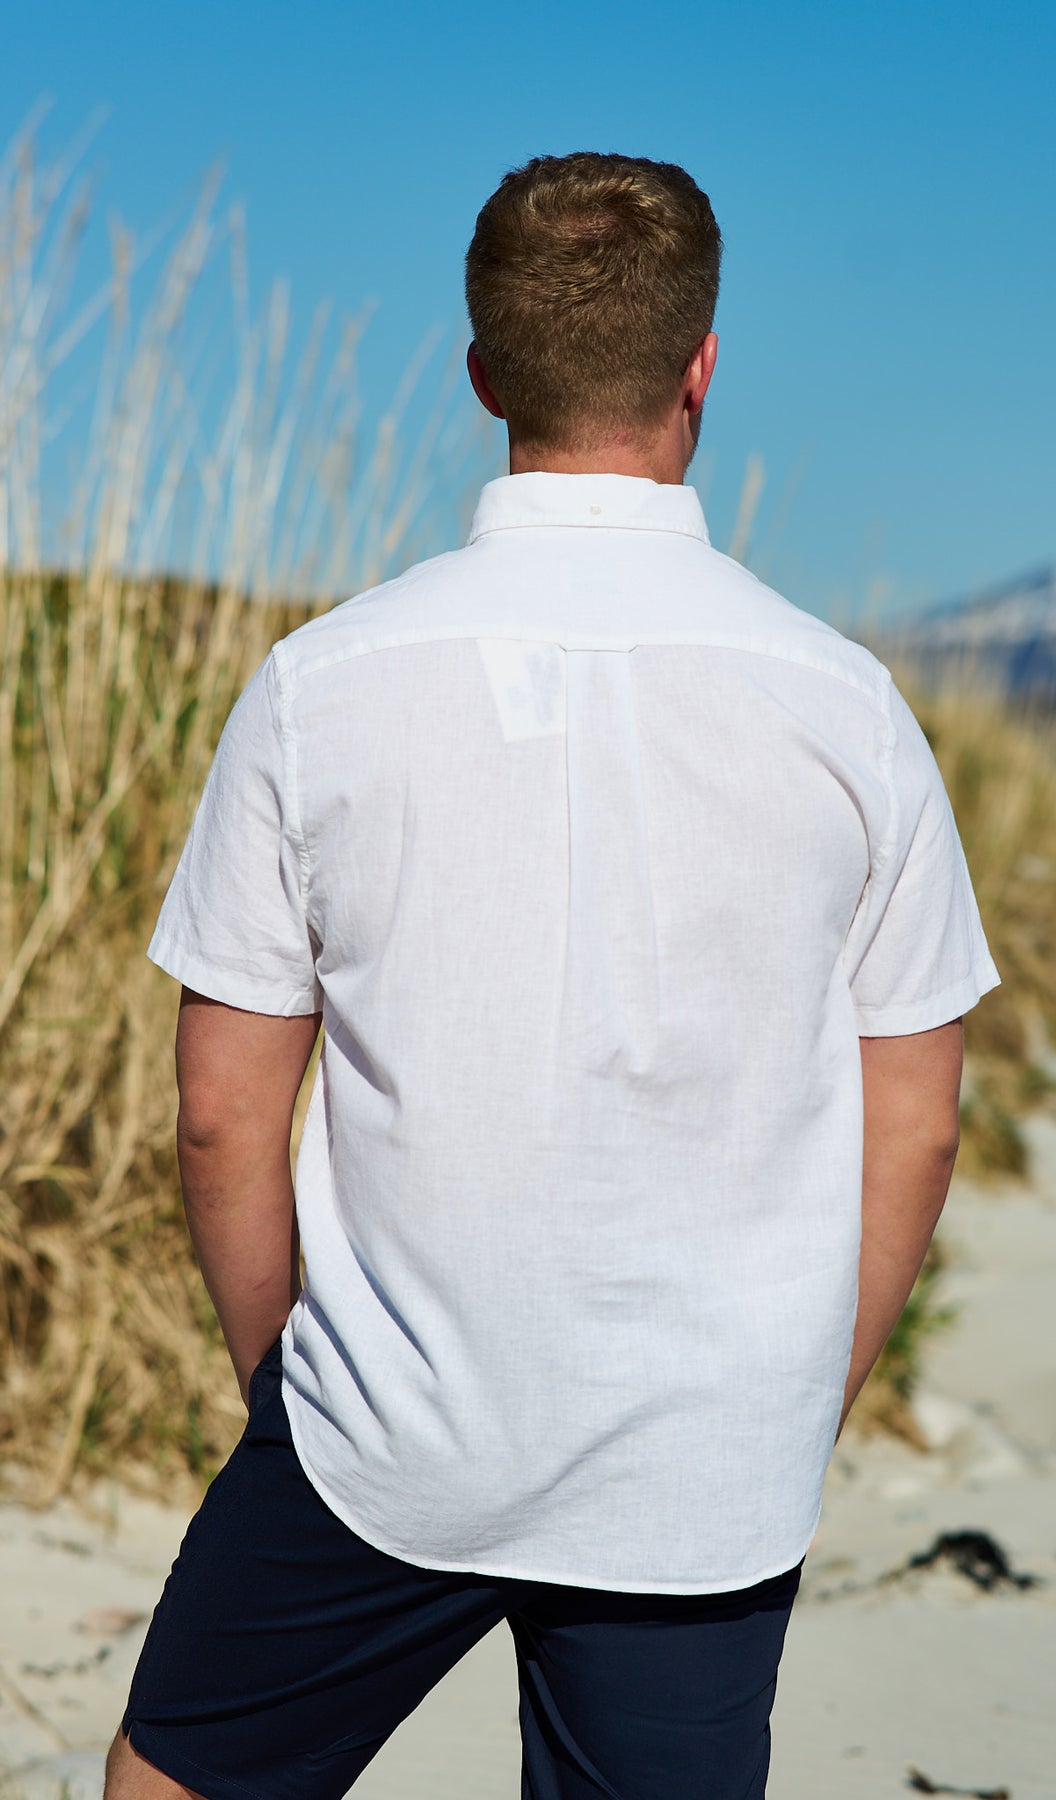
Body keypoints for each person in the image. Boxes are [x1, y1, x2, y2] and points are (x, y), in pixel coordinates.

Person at [106, 151, 999, 1800]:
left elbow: (222, 1116)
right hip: (705, 1462)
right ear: (701, 366)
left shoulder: (319, 686)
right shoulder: (849, 709)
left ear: (483, 374)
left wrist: (287, 1396)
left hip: (381, 1427)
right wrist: (795, 1403)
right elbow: (921, 1123)